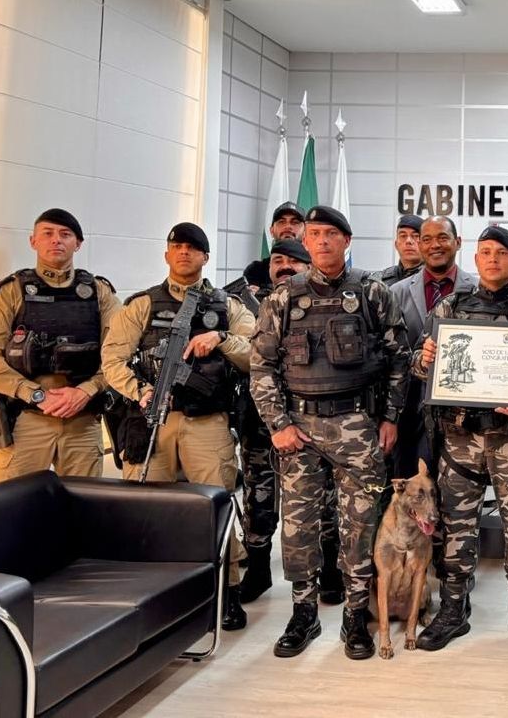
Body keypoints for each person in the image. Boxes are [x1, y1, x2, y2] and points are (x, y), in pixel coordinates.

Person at [249, 205, 410, 660]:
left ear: (347, 240)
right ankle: (304, 611)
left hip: (357, 426)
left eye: (330, 234)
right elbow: (261, 364)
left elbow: (400, 358)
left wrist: (391, 417)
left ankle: (356, 615)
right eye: (314, 234)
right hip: (298, 429)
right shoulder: (283, 297)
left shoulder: (374, 293)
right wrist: (277, 423)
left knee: (359, 524)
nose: (320, 241)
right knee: (299, 526)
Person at [412, 225, 508, 658]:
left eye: (502, 252)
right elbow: (420, 367)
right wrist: (423, 361)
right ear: (475, 259)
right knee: (456, 528)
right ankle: (453, 610)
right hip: (460, 438)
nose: (493, 258)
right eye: (485, 252)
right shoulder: (451, 305)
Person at [101, 222, 255, 632]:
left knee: (216, 507)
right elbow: (113, 359)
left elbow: (257, 353)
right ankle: (151, 596)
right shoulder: (141, 306)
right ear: (167, 255)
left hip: (208, 423)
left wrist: (220, 338)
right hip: (155, 419)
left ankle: (228, 590)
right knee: (147, 509)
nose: (184, 253)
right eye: (176, 247)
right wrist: (141, 391)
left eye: (193, 248)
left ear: (206, 257)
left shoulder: (229, 306)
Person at [0, 209, 120, 483]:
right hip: (26, 420)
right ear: (33, 241)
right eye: (47, 234)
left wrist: (86, 391)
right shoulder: (11, 291)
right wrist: (36, 394)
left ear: (78, 243)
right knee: (14, 510)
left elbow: (119, 353)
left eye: (65, 234)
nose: (56, 241)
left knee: (83, 509)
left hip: (82, 421)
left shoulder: (100, 293)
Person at [234, 238, 332, 605]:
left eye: (295, 260)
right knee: (259, 498)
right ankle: (258, 568)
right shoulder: (245, 301)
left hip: (310, 422)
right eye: (278, 260)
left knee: (320, 500)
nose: (285, 266)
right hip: (261, 421)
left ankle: (329, 571)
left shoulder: (320, 301)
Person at [390, 216, 477, 479]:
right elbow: (390, 355)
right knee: (412, 496)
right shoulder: (397, 292)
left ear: (457, 242)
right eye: (426, 239)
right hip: (409, 412)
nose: (434, 245)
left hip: (461, 415)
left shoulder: (476, 291)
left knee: (456, 498)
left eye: (442, 237)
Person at [372, 214, 425, 286]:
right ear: (396, 244)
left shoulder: (435, 279)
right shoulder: (380, 281)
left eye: (415, 236)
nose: (408, 241)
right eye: (403, 236)